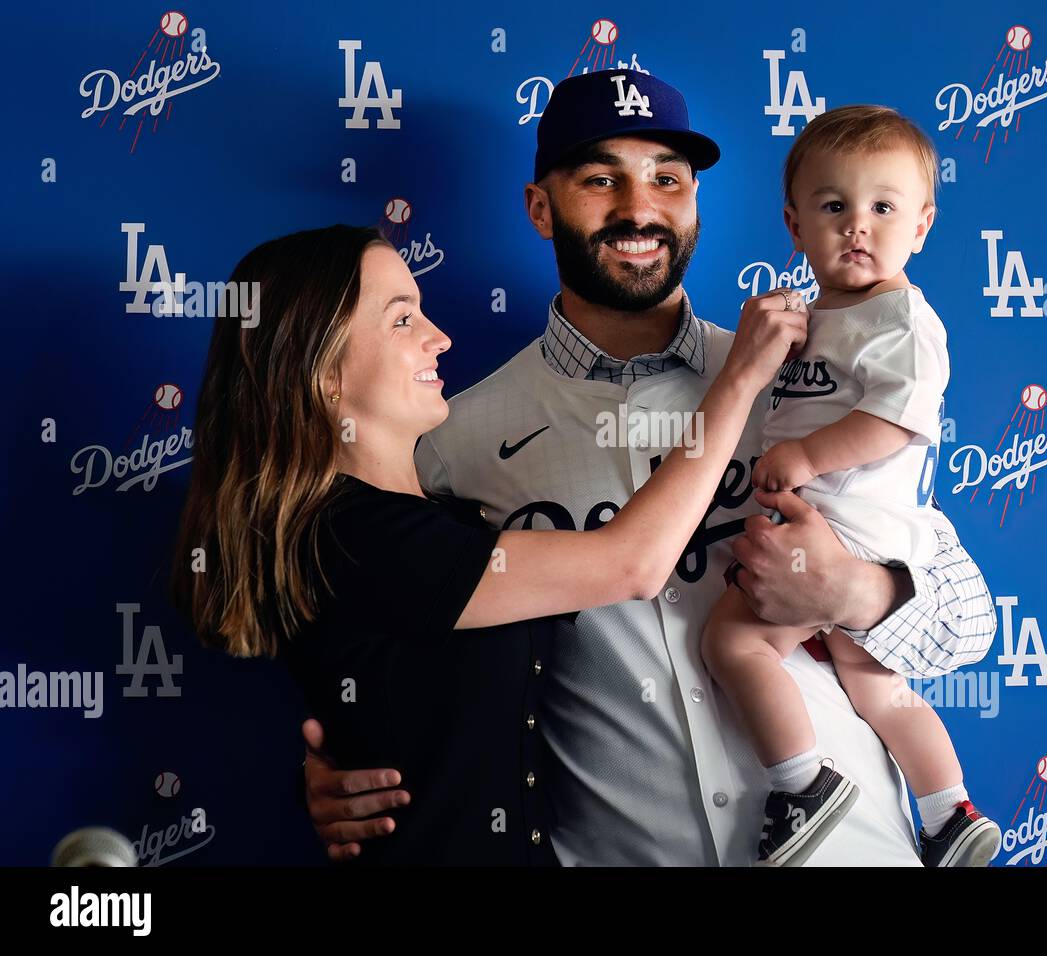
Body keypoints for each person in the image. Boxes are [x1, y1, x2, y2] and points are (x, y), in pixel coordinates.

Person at [304, 69, 998, 866]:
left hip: (852, 848)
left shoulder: (801, 373)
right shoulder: (449, 436)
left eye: (667, 179)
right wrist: (340, 762)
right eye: (601, 179)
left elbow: (966, 623)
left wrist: (854, 590)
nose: (639, 209)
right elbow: (406, 633)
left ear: (696, 204)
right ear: (541, 208)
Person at [170, 222, 806, 864]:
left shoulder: (447, 521)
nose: (438, 338)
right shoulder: (351, 535)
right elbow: (633, 564)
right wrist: (739, 382)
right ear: (323, 369)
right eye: (401, 320)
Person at [701, 105, 1000, 867]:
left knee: (734, 642)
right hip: (838, 518)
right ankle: (946, 812)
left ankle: (801, 782)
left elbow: (898, 421)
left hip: (854, 525)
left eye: (883, 207)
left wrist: (803, 457)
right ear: (795, 226)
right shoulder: (813, 319)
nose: (857, 226)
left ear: (923, 224)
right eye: (834, 207)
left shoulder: (900, 318)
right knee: (878, 689)